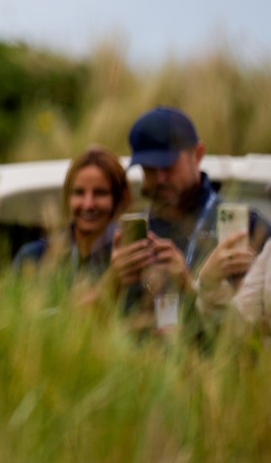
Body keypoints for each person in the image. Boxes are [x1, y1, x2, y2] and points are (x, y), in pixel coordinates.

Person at [105, 107, 271, 331]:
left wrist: (188, 284)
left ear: (199, 154)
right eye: (150, 169)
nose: (160, 178)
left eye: (168, 165)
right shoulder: (132, 233)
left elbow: (251, 331)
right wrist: (112, 282)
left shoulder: (248, 227)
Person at [13, 146, 130, 284]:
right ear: (67, 197)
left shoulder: (129, 256)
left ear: (118, 199)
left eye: (100, 193)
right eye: (79, 192)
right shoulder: (33, 258)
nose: (88, 205)